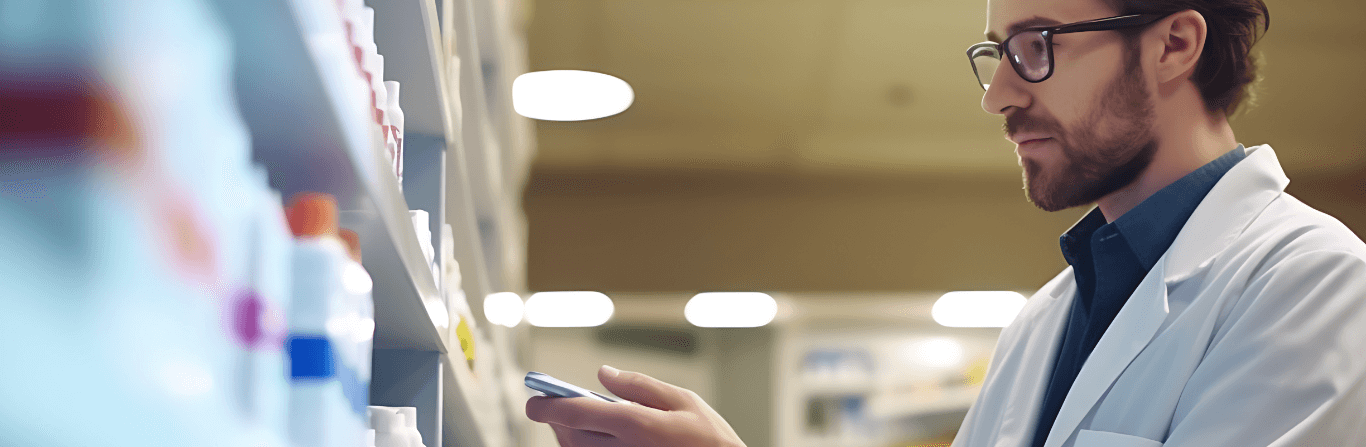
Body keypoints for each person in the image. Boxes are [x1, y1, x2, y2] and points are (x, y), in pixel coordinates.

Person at [524, 0, 1366, 445]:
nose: (999, 94)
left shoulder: (1313, 287)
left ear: (1175, 44)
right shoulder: (1042, 324)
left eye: (1036, 43)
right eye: (994, 54)